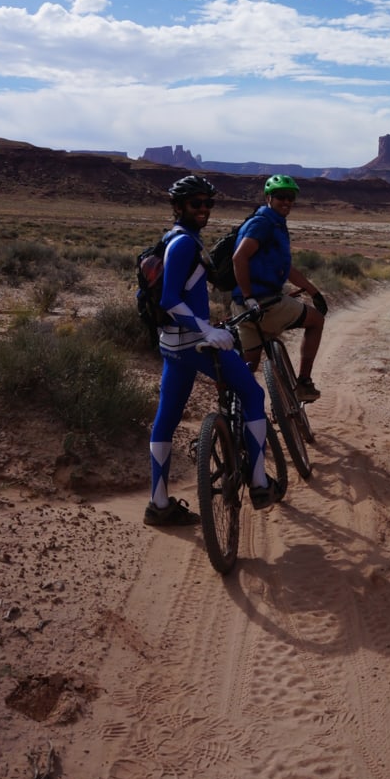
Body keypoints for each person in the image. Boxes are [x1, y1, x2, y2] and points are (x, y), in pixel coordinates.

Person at [146, 175, 283, 526]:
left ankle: (158, 505)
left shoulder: (175, 239)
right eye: (196, 204)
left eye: (208, 203)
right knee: (252, 395)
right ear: (178, 207)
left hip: (173, 345)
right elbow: (170, 299)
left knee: (167, 418)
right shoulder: (183, 245)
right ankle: (258, 482)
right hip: (194, 343)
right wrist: (205, 329)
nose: (204, 210)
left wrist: (209, 321)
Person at [230, 174, 327, 402]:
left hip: (243, 308)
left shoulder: (272, 222)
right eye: (281, 197)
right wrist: (249, 296)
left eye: (290, 198)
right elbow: (239, 257)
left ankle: (236, 416)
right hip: (263, 303)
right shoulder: (263, 223)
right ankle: (303, 382)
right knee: (316, 321)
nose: (286, 202)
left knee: (248, 368)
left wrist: (313, 291)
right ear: (268, 197)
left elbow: (287, 268)